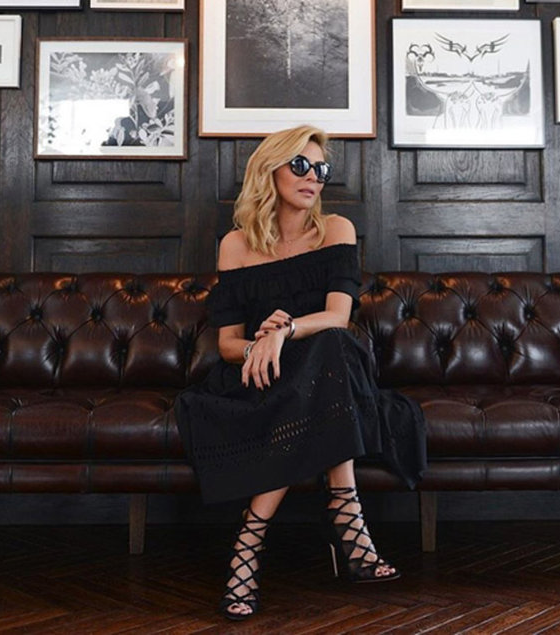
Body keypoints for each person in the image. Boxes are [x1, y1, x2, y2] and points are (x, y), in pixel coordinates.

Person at [174, 124, 427, 621]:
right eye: (301, 165)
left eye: (321, 169)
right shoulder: (236, 245)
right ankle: (346, 520)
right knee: (319, 372)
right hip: (264, 379)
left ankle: (249, 541)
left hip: (329, 369)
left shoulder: (336, 230)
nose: (314, 177)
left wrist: (285, 330)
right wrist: (260, 345)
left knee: (331, 347)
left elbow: (337, 317)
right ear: (270, 171)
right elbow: (227, 345)